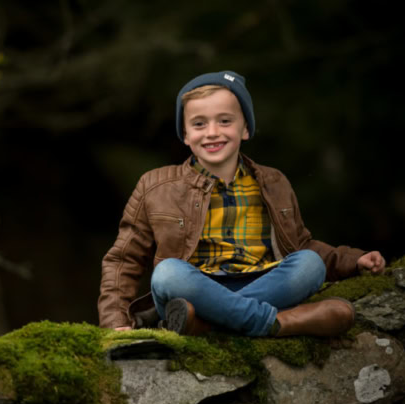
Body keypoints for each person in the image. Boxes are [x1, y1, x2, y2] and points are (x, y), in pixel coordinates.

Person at [98, 70, 386, 337]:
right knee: (168, 273)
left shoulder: (274, 182)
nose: (212, 132)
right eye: (199, 124)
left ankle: (209, 325)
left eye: (225, 121)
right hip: (194, 289)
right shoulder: (155, 185)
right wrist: (116, 322)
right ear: (185, 135)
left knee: (309, 265)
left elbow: (301, 244)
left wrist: (352, 260)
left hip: (264, 284)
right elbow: (124, 259)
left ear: (245, 129)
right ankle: (274, 323)